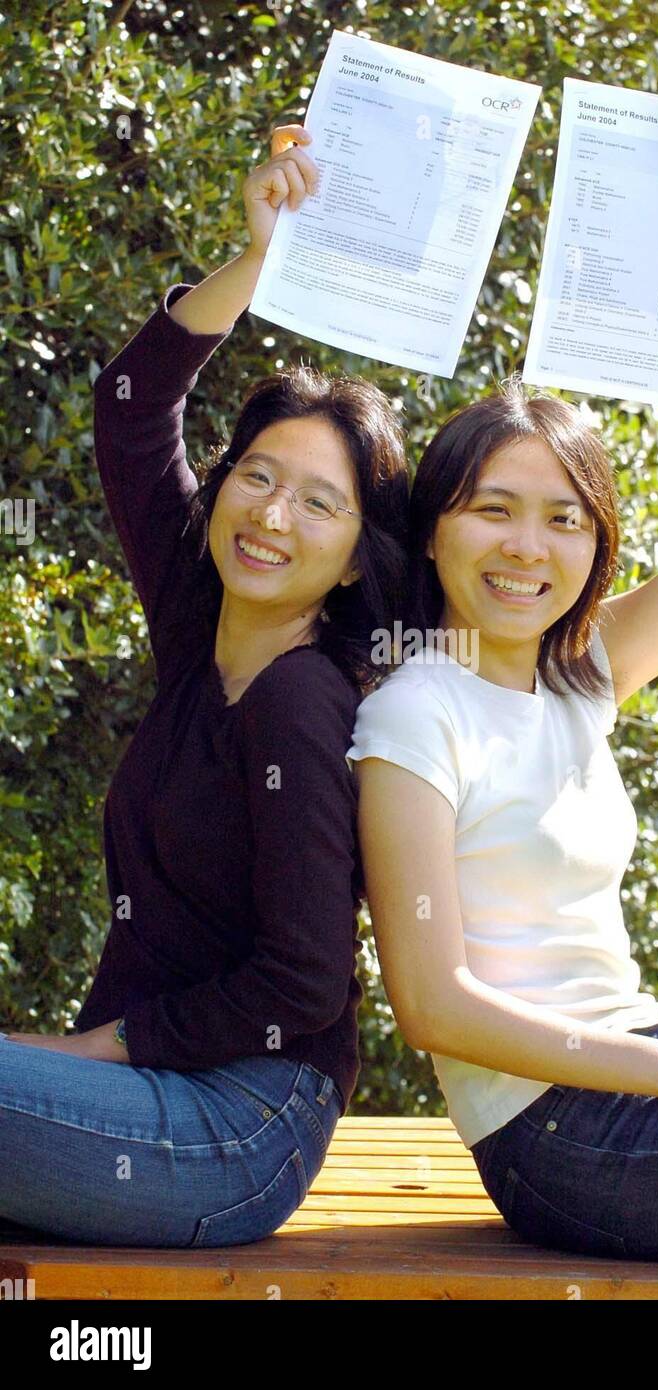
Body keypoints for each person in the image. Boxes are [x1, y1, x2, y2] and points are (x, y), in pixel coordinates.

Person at [347, 170, 658, 1265]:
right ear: (433, 532)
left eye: (563, 519)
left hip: (642, 1083)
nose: (529, 546)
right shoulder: (412, 713)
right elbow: (431, 1004)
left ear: (594, 545)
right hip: (562, 1136)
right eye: (493, 510)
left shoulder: (579, 675)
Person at [0, 125, 409, 1249]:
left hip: (238, 1122)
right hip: (152, 1099)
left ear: (359, 553)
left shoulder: (302, 698)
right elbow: (132, 406)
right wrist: (259, 258)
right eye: (257, 475)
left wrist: (97, 1048)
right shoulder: (201, 623)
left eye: (318, 503)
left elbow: (305, 981)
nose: (272, 515)